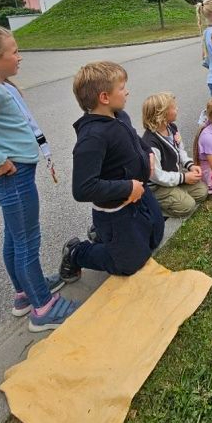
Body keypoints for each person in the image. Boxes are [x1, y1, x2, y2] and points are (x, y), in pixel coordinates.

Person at [0, 24, 78, 331]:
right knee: (27, 244)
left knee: (15, 239)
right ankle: (43, 308)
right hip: (13, 180)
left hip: (12, 179)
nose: (20, 57)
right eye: (15, 52)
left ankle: (25, 294)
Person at [59, 61, 165, 282]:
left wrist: (148, 152)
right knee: (130, 263)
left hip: (140, 195)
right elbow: (83, 188)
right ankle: (77, 252)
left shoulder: (119, 116)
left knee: (156, 236)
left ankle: (104, 235)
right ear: (104, 97)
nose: (127, 92)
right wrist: (127, 187)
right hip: (116, 209)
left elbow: (134, 139)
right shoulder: (92, 137)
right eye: (122, 88)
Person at [141, 92, 208, 218]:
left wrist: (190, 165)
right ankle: (152, 206)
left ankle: (176, 194)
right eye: (173, 107)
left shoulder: (172, 128)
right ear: (161, 114)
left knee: (202, 191)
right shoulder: (151, 143)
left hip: (174, 177)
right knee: (187, 206)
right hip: (158, 186)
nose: (177, 108)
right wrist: (184, 178)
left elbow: (180, 151)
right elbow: (157, 176)